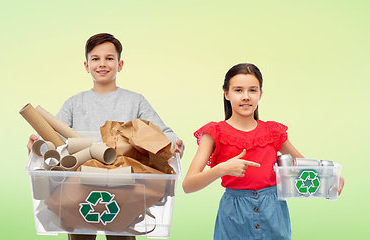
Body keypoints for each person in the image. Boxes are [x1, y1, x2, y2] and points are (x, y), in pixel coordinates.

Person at [27, 33, 184, 240]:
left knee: (122, 233)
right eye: (95, 58)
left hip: (125, 183)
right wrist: (37, 146)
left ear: (120, 65)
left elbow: (163, 133)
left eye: (109, 58)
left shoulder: (135, 101)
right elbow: (53, 139)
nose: (102, 64)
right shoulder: (74, 103)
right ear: (86, 65)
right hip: (80, 183)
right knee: (80, 233)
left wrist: (174, 145)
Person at [182, 63, 344, 240]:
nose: (246, 96)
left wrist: (330, 178)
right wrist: (223, 168)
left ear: (260, 94)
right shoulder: (214, 133)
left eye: (252, 90)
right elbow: (188, 185)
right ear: (227, 94)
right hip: (234, 217)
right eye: (238, 90)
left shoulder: (273, 132)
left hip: (274, 214)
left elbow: (305, 167)